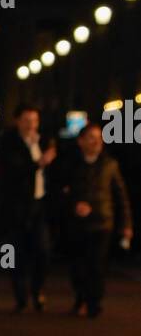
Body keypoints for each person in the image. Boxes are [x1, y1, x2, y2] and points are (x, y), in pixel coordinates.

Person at [62, 121, 133, 318]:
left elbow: (121, 196)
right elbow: (62, 192)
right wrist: (74, 204)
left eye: (99, 138)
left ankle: (93, 302)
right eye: (91, 138)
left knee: (97, 264)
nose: (96, 142)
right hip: (77, 223)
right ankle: (81, 297)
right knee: (78, 264)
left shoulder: (110, 164)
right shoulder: (72, 165)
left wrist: (127, 224)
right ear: (81, 141)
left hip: (102, 222)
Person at [0, 104, 56, 312]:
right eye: (26, 120)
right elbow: (14, 171)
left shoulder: (44, 141)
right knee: (15, 253)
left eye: (34, 121)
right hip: (16, 207)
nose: (31, 125)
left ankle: (37, 289)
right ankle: (20, 295)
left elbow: (55, 170)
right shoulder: (8, 142)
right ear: (17, 121)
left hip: (39, 205)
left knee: (43, 251)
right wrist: (40, 162)